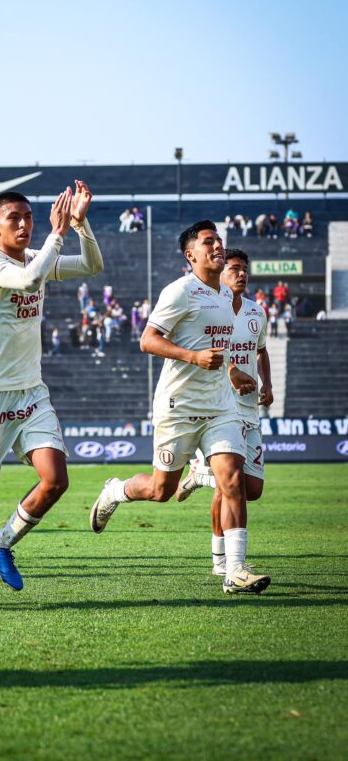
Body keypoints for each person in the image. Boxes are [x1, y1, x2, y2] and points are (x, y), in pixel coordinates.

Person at [0, 180, 104, 608]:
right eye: (15, 218)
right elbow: (29, 278)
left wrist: (81, 225)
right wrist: (58, 231)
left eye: (29, 217)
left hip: (31, 391)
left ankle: (2, 541)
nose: (25, 224)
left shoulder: (38, 253)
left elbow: (91, 268)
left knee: (56, 480)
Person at [89, 219, 271, 595]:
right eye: (209, 242)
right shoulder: (180, 291)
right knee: (161, 490)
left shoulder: (224, 294)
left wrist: (234, 371)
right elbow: (147, 340)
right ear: (191, 255)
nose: (218, 246)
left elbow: (225, 347)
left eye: (219, 241)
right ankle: (115, 491)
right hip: (179, 406)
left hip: (222, 406)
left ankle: (234, 570)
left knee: (234, 479)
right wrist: (193, 356)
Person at [175, 248, 273, 575]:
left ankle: (200, 475)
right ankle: (224, 563)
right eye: (234, 268)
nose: (241, 274)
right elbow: (211, 352)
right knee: (229, 483)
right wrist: (230, 371)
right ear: (222, 272)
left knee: (252, 490)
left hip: (250, 407)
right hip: (222, 407)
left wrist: (267, 385)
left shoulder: (257, 312)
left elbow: (261, 351)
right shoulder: (211, 310)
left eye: (244, 269)